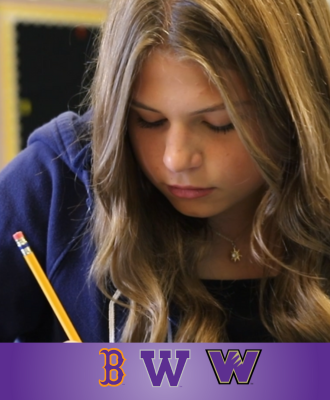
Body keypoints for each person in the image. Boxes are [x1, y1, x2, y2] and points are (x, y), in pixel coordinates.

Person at [1, 0, 330, 343]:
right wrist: (45, 379)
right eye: (148, 120)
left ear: (297, 112)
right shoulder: (55, 181)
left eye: (221, 124)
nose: (175, 159)